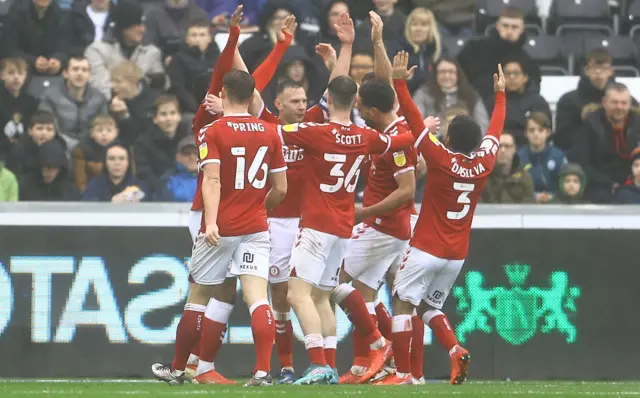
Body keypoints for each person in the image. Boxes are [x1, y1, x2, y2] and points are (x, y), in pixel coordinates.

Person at [153, 70, 287, 387]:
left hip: (222, 226)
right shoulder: (271, 132)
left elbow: (212, 180)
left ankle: (176, 369)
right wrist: (259, 208)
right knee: (258, 299)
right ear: (253, 96)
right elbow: (281, 188)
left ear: (224, 93)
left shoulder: (213, 131)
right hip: (256, 226)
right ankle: (263, 372)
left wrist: (211, 220)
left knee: (197, 298)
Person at [386, 52, 506, 385]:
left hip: (426, 247)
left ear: (449, 139)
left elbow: (412, 118)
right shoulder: (484, 163)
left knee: (402, 303)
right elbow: (496, 129)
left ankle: (404, 374)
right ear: (477, 142)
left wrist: (399, 82)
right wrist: (500, 96)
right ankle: (454, 349)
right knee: (428, 308)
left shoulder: (439, 157)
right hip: (456, 255)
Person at [457, 6, 540, 111]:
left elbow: (533, 91)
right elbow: (458, 72)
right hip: (474, 106)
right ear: (497, 26)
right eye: (505, 26)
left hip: (512, 110)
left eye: (514, 27)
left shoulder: (527, 61)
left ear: (522, 29)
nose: (509, 31)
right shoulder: (474, 49)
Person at [569, 83, 640, 203]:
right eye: (614, 102)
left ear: (630, 104)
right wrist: (610, 185)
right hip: (599, 188)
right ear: (604, 102)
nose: (619, 107)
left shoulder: (638, 124)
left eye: (624, 103)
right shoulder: (590, 126)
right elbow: (582, 163)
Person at [85, 0, 166, 98]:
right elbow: (100, 86)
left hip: (142, 105)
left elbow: (161, 86)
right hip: (108, 107)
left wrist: (158, 81)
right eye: (138, 25)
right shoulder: (96, 50)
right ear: (123, 27)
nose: (143, 30)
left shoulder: (151, 52)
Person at [554, 49, 619, 152]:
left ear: (611, 71)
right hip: (580, 158)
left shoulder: (623, 101)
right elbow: (562, 141)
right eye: (593, 68)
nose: (598, 72)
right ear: (586, 71)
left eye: (604, 68)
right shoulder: (568, 101)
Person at [39, 55, 109, 149]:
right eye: (75, 69)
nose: (80, 73)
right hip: (60, 146)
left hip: (91, 148)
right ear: (65, 73)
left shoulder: (99, 98)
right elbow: (49, 127)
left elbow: (103, 127)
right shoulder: (50, 96)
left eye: (84, 70)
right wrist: (72, 146)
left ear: (89, 75)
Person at [412, 56, 488, 135]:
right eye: (442, 72)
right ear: (435, 74)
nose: (447, 76)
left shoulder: (471, 95)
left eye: (451, 72)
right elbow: (416, 122)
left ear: (457, 74)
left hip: (467, 144)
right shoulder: (423, 95)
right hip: (432, 143)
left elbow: (483, 126)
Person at [167, 19, 220, 114]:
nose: (198, 39)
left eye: (202, 35)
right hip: (190, 109)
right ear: (187, 39)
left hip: (218, 107)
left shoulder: (220, 58)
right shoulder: (178, 59)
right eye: (194, 35)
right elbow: (179, 88)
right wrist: (197, 109)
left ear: (210, 38)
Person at [134, 95, 188, 187]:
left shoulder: (190, 139)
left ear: (179, 116)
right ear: (155, 118)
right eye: (163, 114)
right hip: (157, 191)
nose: (168, 118)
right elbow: (144, 173)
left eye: (173, 113)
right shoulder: (143, 143)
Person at [3, 0, 67, 76]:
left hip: (51, 72)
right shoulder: (16, 11)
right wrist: (33, 60)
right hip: (22, 72)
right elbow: (9, 49)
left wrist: (57, 59)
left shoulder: (59, 12)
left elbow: (64, 45)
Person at [518, 112, 567, 204]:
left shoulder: (559, 156)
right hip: (526, 205)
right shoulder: (519, 157)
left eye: (540, 130)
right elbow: (515, 187)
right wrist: (534, 197)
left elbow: (565, 185)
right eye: (532, 130)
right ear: (526, 133)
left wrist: (552, 197)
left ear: (548, 132)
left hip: (556, 205)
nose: (536, 134)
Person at [502, 57, 551, 147]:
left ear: (525, 77)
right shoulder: (494, 102)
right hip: (501, 149)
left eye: (516, 73)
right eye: (507, 74)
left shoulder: (538, 102)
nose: (512, 77)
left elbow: (544, 131)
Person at [108, 61, 160, 146]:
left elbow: (145, 133)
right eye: (112, 82)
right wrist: (123, 116)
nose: (113, 86)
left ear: (133, 81)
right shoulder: (113, 103)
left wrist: (126, 115)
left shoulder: (155, 100)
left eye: (118, 82)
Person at [239, 0, 297, 72]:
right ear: (269, 22)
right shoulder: (253, 46)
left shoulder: (302, 44)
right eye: (277, 18)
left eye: (286, 18)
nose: (282, 22)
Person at [394, 7, 442, 93]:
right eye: (415, 24)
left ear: (430, 28)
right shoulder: (398, 51)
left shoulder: (438, 51)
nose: (418, 29)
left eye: (423, 25)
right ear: (409, 28)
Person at [6, 111, 67, 177]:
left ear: (54, 133)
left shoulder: (59, 148)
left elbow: (63, 175)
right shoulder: (19, 149)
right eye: (39, 128)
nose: (44, 133)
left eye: (49, 129)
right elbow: (13, 175)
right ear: (30, 131)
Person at [82, 141, 149, 202]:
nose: (117, 163)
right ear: (105, 162)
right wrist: (111, 202)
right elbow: (87, 210)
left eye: (122, 158)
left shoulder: (141, 187)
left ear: (128, 162)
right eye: (112, 158)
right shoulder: (94, 186)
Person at [0, 58, 38, 161]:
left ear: (25, 76)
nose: (16, 77)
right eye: (11, 73)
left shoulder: (31, 102)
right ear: (2, 75)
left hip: (24, 147)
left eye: (20, 73)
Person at [143, 0, 208, 59]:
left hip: (193, 64)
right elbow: (148, 45)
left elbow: (208, 47)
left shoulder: (199, 15)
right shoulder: (153, 15)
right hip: (161, 64)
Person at [482, 132, 534, 203]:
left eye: (507, 146)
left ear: (514, 149)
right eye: (499, 146)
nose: (503, 150)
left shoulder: (524, 178)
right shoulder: (483, 177)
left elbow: (528, 207)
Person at [72, 114, 119, 192]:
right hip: (91, 194)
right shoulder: (81, 150)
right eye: (99, 130)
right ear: (92, 133)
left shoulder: (122, 150)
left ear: (116, 133)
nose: (104, 134)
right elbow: (80, 182)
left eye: (109, 130)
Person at [155, 136, 198, 202]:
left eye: (197, 153)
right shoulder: (168, 182)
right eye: (186, 153)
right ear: (178, 157)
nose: (192, 157)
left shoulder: (217, 180)